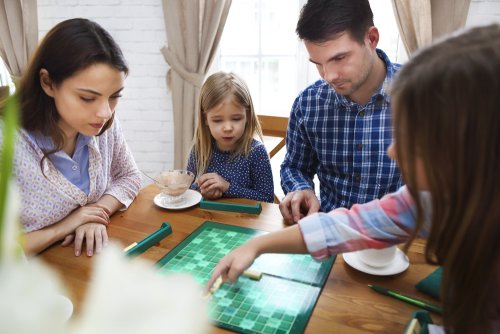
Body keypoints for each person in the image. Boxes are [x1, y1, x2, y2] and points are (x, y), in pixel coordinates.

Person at [207, 24, 500, 334]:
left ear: (472, 147)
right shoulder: (425, 201)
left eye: (413, 141)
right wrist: (257, 246)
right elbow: (346, 225)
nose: (393, 152)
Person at [8, 18, 141, 257]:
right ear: (48, 83)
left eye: (114, 96)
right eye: (88, 98)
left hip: (77, 266)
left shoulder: (102, 123)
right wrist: (66, 226)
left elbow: (129, 176)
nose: (105, 112)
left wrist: (96, 213)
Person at [279, 0, 403, 224]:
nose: (329, 76)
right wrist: (301, 189)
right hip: (329, 236)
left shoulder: (425, 97)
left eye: (339, 58)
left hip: (399, 243)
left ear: (371, 38)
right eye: (318, 63)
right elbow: (294, 166)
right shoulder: (308, 104)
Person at [186, 71, 274, 203]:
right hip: (207, 220)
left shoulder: (256, 152)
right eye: (217, 120)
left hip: (246, 222)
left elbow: (267, 199)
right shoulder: (199, 151)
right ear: (205, 119)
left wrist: (227, 187)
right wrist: (202, 189)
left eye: (236, 118)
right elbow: (189, 193)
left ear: (247, 116)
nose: (227, 128)